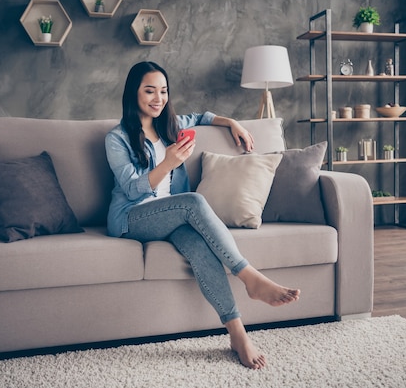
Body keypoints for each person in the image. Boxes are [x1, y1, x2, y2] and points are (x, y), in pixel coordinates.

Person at [105, 61, 300, 369]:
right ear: (133, 93)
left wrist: (232, 122)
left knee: (199, 247)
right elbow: (130, 189)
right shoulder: (116, 138)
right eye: (150, 91)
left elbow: (202, 116)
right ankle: (250, 278)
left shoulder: (169, 125)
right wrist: (167, 163)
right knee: (193, 202)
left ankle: (237, 334)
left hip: (169, 219)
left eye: (164, 91)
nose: (158, 98)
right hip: (132, 219)